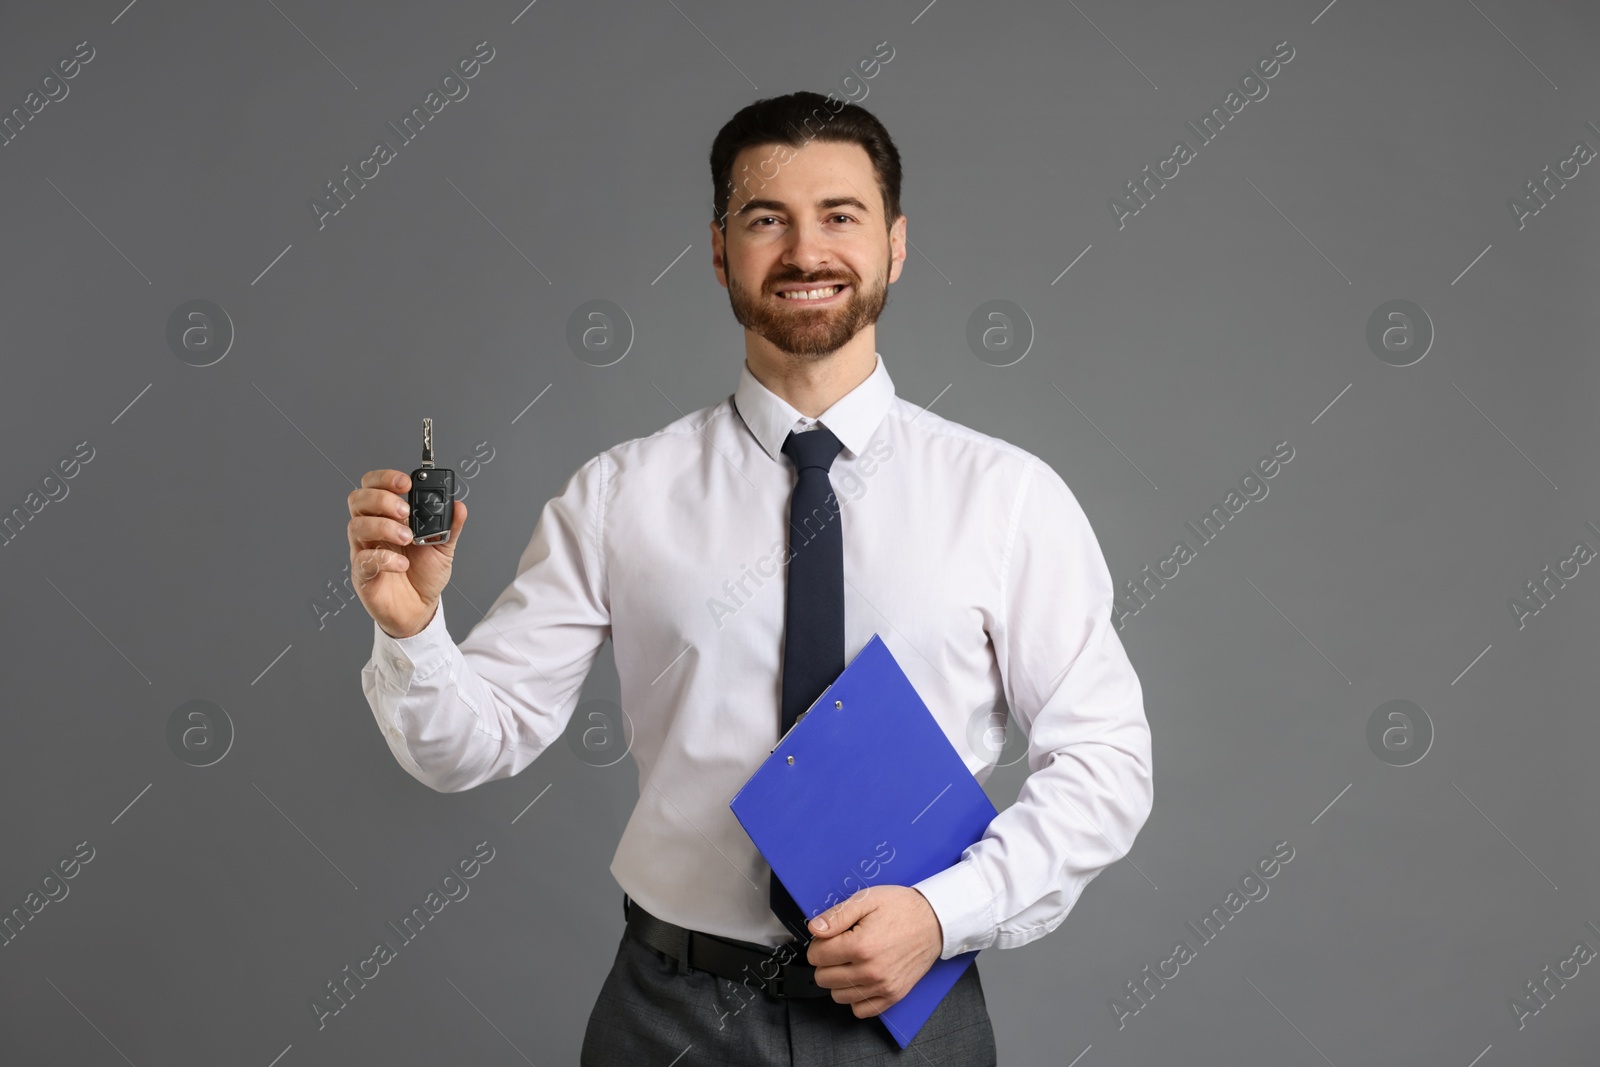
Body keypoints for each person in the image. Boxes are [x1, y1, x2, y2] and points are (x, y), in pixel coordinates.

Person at [347, 90, 1153, 1065]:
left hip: (913, 1012)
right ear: (720, 250)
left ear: (895, 244)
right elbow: (468, 744)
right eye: (767, 219)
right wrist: (411, 628)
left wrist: (945, 913)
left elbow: (1106, 762)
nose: (805, 251)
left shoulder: (1007, 497)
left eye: (839, 216)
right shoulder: (619, 494)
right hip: (668, 1017)